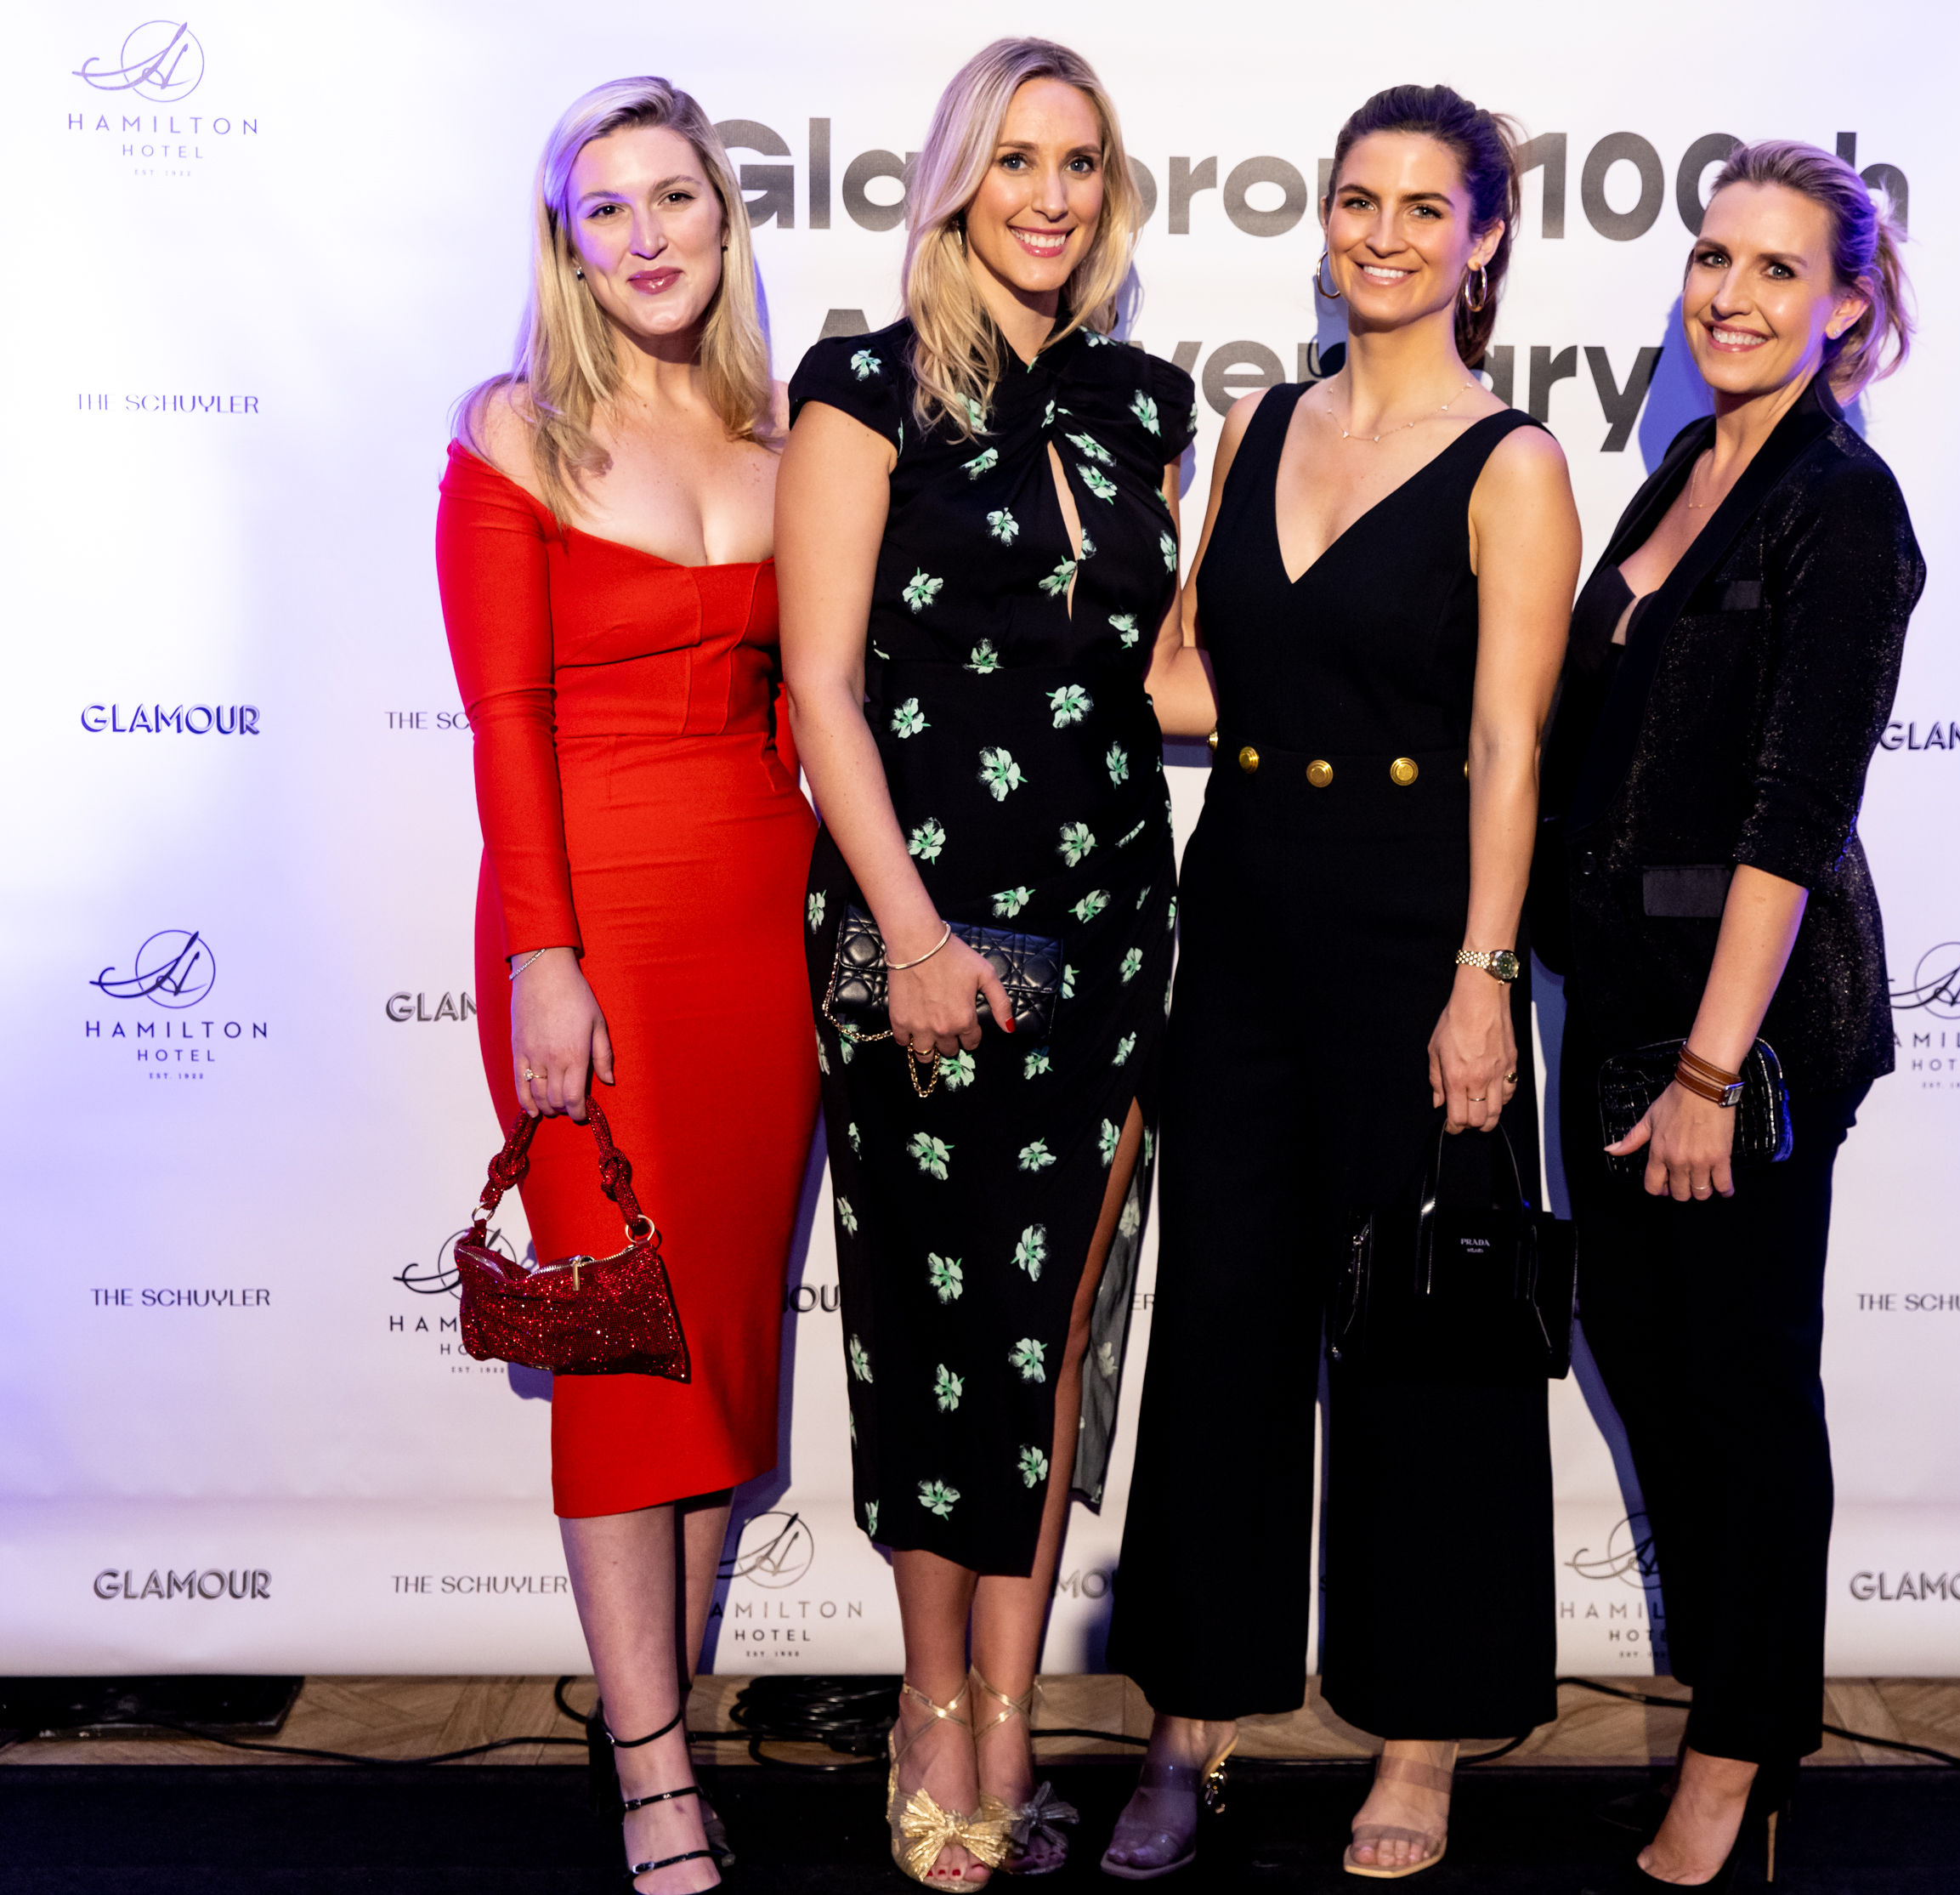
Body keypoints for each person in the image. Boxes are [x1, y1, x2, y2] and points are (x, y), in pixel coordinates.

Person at [1103, 84, 1579, 1882]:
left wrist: (1482, 976)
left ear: (1483, 242)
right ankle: (1189, 1717)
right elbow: (1182, 683)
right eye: (1356, 199)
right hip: (1239, 916)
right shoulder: (1256, 422)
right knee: (1222, 1322)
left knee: (1424, 1339)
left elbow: (1509, 744)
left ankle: (1421, 1735)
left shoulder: (1510, 458)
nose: (1382, 233)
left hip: (1415, 929)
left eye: (1423, 207)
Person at [775, 37, 1190, 1886]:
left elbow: (1155, 677)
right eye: (1016, 158)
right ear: (956, 178)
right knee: (930, 1335)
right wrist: (916, 935)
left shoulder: (1146, 401)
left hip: (1109, 926)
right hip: (919, 931)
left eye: (1080, 163)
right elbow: (819, 686)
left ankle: (1014, 1723)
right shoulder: (862, 388)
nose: (1048, 194)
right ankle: (932, 1707)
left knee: (1046, 1341)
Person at [1534, 139, 1922, 1885]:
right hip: (1612, 996)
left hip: (1744, 1029)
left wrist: (1709, 1065)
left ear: (1847, 307)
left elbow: (1791, 805)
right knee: (1643, 1345)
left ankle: (1745, 1745)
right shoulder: (1688, 459)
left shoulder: (1844, 506)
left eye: (1778, 270)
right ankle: (1735, 1701)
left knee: (1742, 1382)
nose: (1731, 296)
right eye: (1714, 259)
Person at [437, 77, 809, 1895]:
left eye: (680, 199)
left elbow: (811, 719)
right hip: (588, 935)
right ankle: (653, 1766)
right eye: (612, 209)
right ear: (567, 242)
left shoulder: (783, 443)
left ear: (725, 227)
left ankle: (663, 1718)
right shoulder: (516, 432)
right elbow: (506, 725)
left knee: (711, 1344)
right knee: (619, 1359)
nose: (651, 235)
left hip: (755, 939)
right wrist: (546, 959)